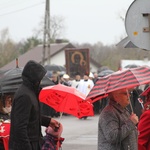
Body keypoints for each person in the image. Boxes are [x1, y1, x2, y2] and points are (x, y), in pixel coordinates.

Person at [9, 60, 60, 150]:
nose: (41, 81)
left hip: (34, 143)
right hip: (26, 145)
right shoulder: (24, 95)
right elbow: (20, 128)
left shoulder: (31, 92)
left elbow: (32, 116)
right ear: (34, 78)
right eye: (40, 78)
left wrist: (48, 121)